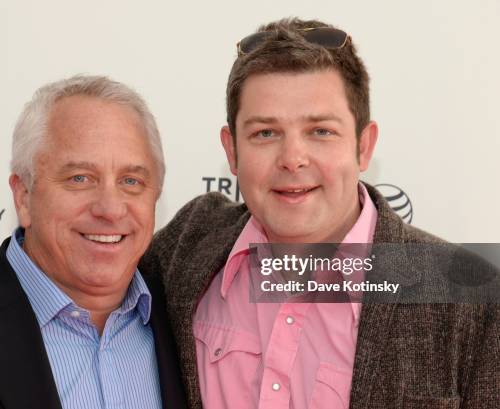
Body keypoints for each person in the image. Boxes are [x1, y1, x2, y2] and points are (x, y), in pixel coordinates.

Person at [139, 18, 499, 409]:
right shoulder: (185, 248)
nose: (293, 159)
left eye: (321, 131)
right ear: (231, 150)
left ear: (363, 145)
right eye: (265, 133)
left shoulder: (471, 301)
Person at [0, 75, 186, 409]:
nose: (111, 209)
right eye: (80, 178)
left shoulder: (191, 329)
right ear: (24, 196)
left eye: (131, 181)